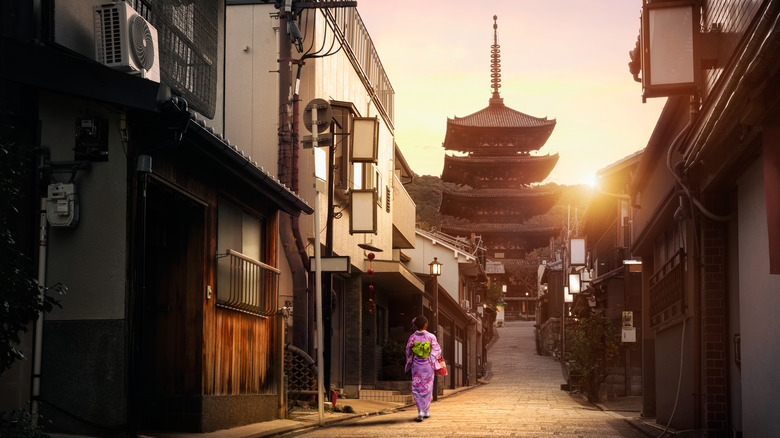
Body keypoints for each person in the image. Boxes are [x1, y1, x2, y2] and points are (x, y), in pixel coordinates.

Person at [405, 315, 442, 422]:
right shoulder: (431, 337)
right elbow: (437, 350)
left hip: (417, 366)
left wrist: (410, 361)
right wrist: (430, 358)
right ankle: (426, 411)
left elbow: (408, 351)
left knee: (417, 388)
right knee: (427, 388)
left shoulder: (412, 337)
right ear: (425, 324)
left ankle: (419, 411)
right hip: (428, 366)